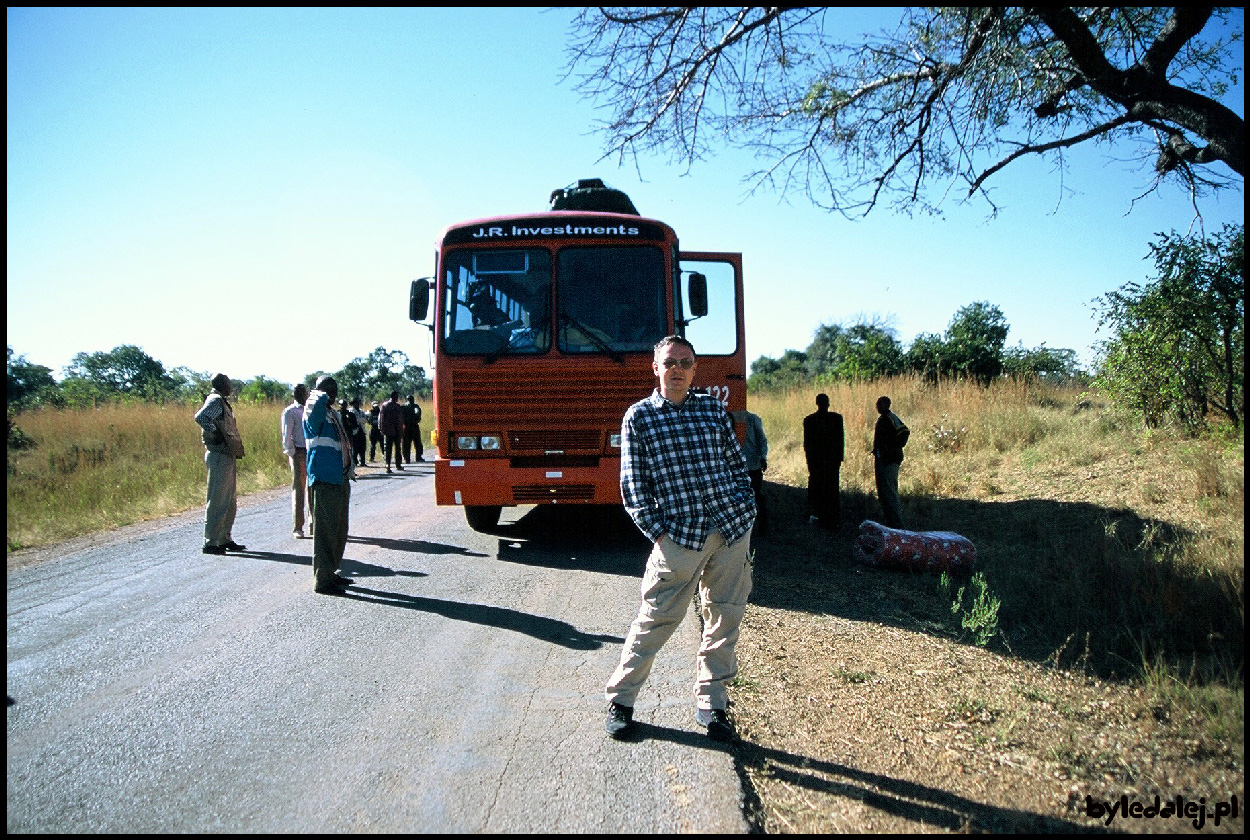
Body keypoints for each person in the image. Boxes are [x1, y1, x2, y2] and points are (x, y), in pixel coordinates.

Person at [605, 336, 757, 743]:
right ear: (655, 368)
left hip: (731, 530)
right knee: (655, 620)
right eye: (669, 362)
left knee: (723, 619)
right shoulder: (639, 418)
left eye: (685, 363)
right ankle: (621, 701)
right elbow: (633, 489)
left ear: (694, 370)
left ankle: (714, 707)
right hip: (679, 540)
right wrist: (661, 536)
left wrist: (746, 506)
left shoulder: (711, 407)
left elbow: (735, 463)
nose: (677, 369)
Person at [304, 375, 356, 595]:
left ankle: (331, 572)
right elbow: (310, 425)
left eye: (335, 388)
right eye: (328, 389)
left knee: (339, 530)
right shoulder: (312, 409)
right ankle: (322, 580)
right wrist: (319, 394)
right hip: (325, 479)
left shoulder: (332, 414)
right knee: (325, 532)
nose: (332, 393)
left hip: (340, 477)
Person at [193, 373, 246, 555]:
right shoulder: (215, 400)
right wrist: (215, 432)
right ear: (222, 384)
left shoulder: (221, 401)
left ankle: (224, 538)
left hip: (226, 454)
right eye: (229, 383)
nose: (231, 387)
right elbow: (201, 417)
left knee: (229, 500)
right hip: (218, 455)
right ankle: (210, 542)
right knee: (217, 499)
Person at [803, 394, 845, 530]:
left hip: (817, 461)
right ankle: (832, 519)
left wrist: (809, 461)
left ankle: (818, 516)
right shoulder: (836, 419)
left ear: (817, 403)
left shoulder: (809, 420)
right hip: (832, 461)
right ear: (828, 403)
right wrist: (839, 458)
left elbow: (807, 444)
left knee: (817, 488)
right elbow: (840, 441)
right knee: (832, 489)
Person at [873, 395, 910, 528]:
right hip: (882, 459)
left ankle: (897, 524)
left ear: (886, 405)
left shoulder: (890, 418)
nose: (877, 406)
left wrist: (893, 448)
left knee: (890, 491)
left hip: (889, 461)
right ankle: (889, 522)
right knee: (883, 491)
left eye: (880, 403)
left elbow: (905, 432)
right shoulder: (882, 419)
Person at [280, 384, 312, 539]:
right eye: (297, 392)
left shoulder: (310, 409)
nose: (301, 394)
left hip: (311, 452)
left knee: (312, 488)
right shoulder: (290, 412)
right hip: (298, 452)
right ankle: (298, 527)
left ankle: (314, 524)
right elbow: (287, 435)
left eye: (303, 391)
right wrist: (292, 454)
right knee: (299, 490)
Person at [732, 409, 769, 537]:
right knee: (754, 495)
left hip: (750, 464)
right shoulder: (751, 419)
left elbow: (761, 440)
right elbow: (762, 440)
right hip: (749, 464)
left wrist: (763, 457)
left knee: (755, 495)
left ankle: (761, 524)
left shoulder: (752, 419)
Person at [379, 390, 405, 474]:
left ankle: (393, 465)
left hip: (392, 430)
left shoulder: (389, 405)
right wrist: (382, 429)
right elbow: (382, 418)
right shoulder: (391, 406)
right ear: (393, 396)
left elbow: (381, 418)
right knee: (393, 449)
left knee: (393, 449)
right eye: (396, 396)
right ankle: (392, 465)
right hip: (392, 430)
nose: (397, 398)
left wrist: (382, 429)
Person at [402, 395, 424, 463]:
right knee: (417, 442)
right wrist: (416, 420)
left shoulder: (403, 407)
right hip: (414, 426)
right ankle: (418, 457)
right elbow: (418, 415)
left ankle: (406, 458)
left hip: (406, 427)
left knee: (406, 443)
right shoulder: (415, 406)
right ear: (412, 399)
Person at [350, 397, 368, 467]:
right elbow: (354, 420)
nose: (357, 404)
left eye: (358, 403)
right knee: (355, 448)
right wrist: (359, 420)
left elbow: (365, 420)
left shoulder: (361, 411)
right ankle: (355, 462)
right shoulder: (351, 411)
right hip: (355, 432)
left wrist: (359, 420)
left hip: (362, 431)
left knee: (363, 447)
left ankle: (362, 461)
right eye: (356, 403)